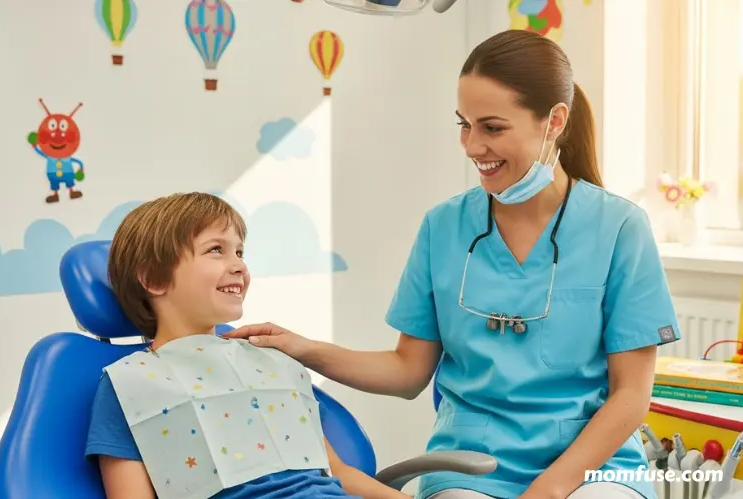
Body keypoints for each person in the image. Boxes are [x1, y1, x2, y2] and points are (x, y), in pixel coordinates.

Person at [223, 30, 680, 499]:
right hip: (470, 466)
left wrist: (549, 490)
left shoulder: (620, 227)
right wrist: (303, 347)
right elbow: (407, 372)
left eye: (493, 127)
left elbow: (630, 396)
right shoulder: (444, 227)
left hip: (591, 467)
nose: (472, 146)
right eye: (464, 124)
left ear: (554, 121)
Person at [84, 192, 410, 499]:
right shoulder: (130, 385)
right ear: (154, 279)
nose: (239, 265)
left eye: (239, 252)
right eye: (216, 250)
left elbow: (337, 473)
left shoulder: (272, 362)